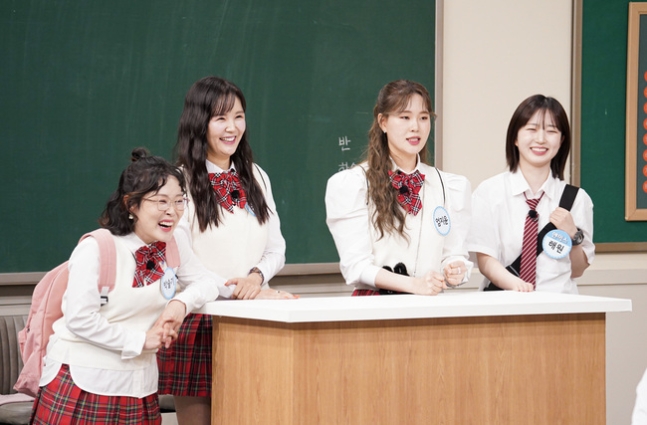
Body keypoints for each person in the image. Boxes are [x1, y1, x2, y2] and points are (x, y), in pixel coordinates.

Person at [30, 148, 226, 425]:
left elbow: (206, 282)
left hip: (139, 385)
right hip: (84, 381)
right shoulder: (98, 247)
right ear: (131, 204)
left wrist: (180, 304)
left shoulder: (173, 243)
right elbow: (79, 319)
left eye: (179, 201)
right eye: (161, 201)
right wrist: (141, 340)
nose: (172, 211)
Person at [157, 76, 295, 425]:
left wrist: (256, 278)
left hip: (255, 320)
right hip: (201, 320)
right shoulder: (178, 183)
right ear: (199, 122)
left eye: (238, 116)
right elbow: (183, 262)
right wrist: (240, 291)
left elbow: (276, 248)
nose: (232, 127)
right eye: (220, 118)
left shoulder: (258, 176)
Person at [324, 79, 472, 296]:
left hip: (430, 307)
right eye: (405, 117)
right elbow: (356, 267)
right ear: (383, 122)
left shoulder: (449, 186)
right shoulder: (354, 184)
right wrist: (414, 285)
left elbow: (453, 254)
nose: (415, 127)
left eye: (423, 117)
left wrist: (454, 269)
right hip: (376, 306)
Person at [468, 95, 594, 293]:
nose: (541, 139)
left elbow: (577, 271)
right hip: (504, 302)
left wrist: (573, 235)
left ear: (561, 140)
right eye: (532, 129)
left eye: (551, 131)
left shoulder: (577, 199)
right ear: (515, 138)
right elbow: (485, 260)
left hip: (559, 305)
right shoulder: (490, 192)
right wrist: (517, 287)